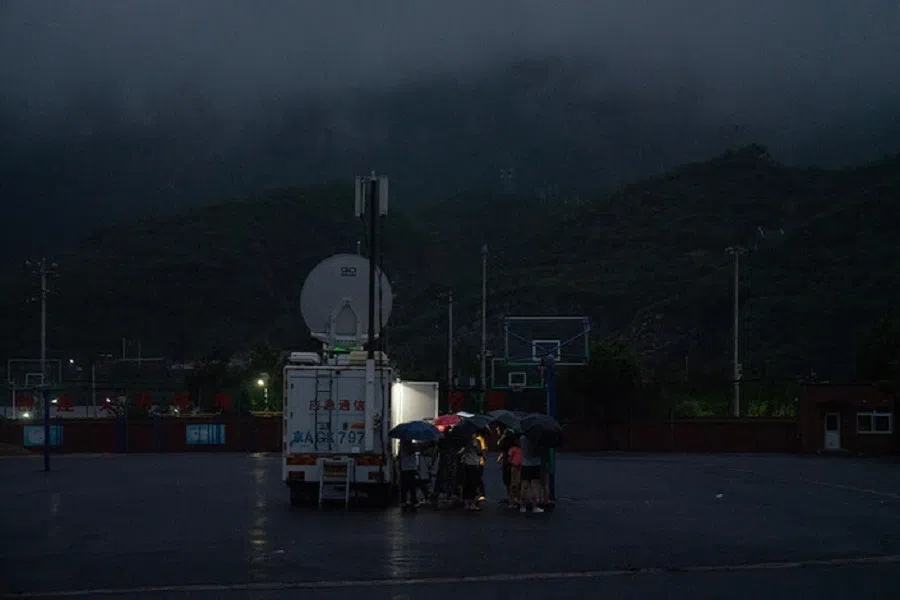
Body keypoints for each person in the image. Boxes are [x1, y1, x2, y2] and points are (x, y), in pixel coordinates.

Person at [518, 433, 544, 513]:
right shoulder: (537, 439)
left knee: (524, 485)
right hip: (535, 464)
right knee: (534, 486)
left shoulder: (522, 438)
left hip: (525, 464)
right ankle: (534, 506)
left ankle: (522, 506)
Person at [460, 434, 484, 511]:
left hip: (466, 463)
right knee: (473, 483)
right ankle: (472, 503)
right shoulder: (476, 441)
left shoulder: (465, 441)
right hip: (474, 463)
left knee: (466, 483)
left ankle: (466, 503)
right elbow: (479, 452)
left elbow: (463, 451)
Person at [398, 440, 418, 511]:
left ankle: (403, 502)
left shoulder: (401, 445)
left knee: (404, 487)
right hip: (410, 468)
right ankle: (414, 502)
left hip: (404, 468)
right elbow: (411, 451)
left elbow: (398, 457)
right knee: (412, 486)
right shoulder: (410, 445)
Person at [506, 438, 523, 510]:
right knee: (513, 484)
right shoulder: (512, 449)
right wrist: (514, 464)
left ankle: (518, 499)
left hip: (520, 468)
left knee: (519, 484)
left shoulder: (521, 449)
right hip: (514, 468)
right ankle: (513, 500)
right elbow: (509, 459)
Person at [474, 432, 487, 502]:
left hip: (478, 461)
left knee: (478, 477)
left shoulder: (479, 439)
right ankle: (479, 494)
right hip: (479, 461)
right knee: (478, 477)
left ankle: (480, 494)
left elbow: (482, 450)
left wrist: (483, 458)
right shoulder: (479, 439)